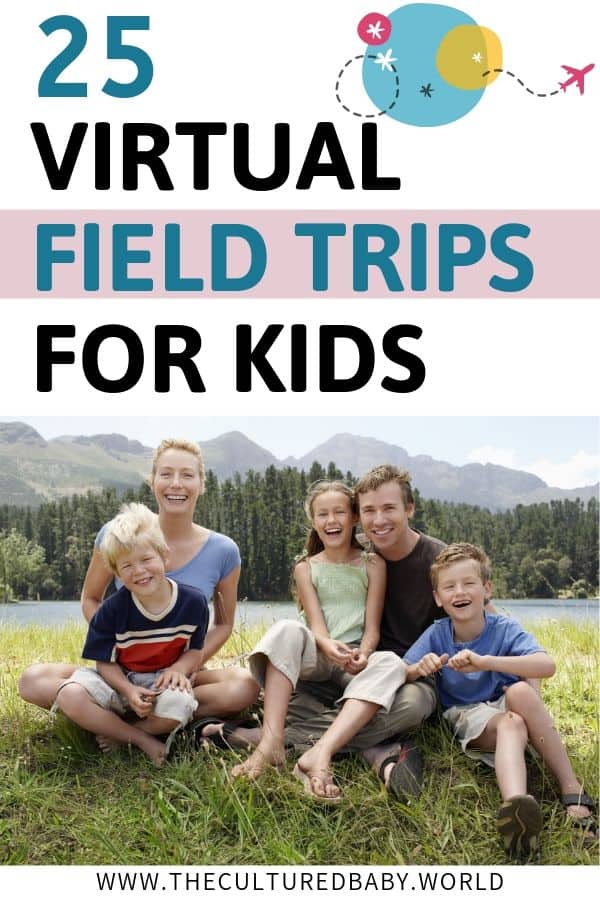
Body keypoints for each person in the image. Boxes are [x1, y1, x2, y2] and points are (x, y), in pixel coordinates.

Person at [19, 438, 259, 719]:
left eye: (187, 475)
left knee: (244, 686)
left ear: (201, 484)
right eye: (166, 474)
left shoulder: (224, 551)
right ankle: (140, 707)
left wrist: (182, 667)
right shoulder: (118, 534)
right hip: (123, 668)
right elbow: (91, 598)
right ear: (153, 480)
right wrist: (120, 656)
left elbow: (224, 624)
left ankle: (128, 719)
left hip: (179, 674)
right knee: (33, 680)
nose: (176, 484)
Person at [201, 480, 406, 801]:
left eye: (339, 512)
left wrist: (364, 654)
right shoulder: (306, 567)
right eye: (322, 514)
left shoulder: (372, 564)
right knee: (286, 629)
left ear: (354, 517)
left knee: (391, 662)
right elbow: (316, 626)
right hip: (318, 653)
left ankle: (313, 744)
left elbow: (372, 629)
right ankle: (270, 741)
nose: (331, 520)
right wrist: (327, 646)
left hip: (355, 661)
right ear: (313, 521)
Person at [403, 542, 597, 855]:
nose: (460, 592)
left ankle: (570, 788)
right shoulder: (437, 633)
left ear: (486, 589)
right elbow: (404, 671)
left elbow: (546, 666)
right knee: (511, 725)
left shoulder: (504, 628)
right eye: (449, 587)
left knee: (519, 694)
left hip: (510, 704)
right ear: (438, 598)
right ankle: (516, 811)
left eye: (469, 583)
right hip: (470, 714)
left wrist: (486, 661)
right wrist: (418, 668)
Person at [53, 503, 209, 766]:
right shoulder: (111, 610)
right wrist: (127, 688)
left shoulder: (194, 602)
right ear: (115, 572)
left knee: (180, 705)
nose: (139, 571)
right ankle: (142, 740)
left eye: (146, 559)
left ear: (164, 556)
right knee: (69, 694)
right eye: (127, 566)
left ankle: (120, 733)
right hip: (119, 682)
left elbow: (196, 649)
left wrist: (179, 669)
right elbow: (104, 662)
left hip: (161, 683)